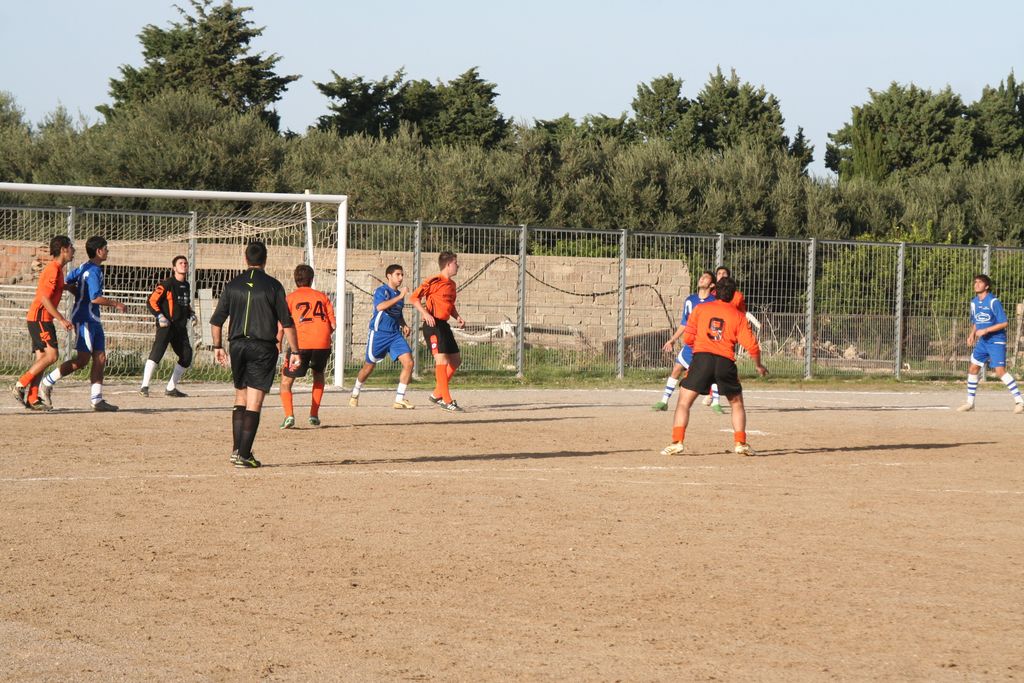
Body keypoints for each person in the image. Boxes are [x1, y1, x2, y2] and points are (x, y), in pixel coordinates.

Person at [210, 241, 298, 468]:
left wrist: (217, 346)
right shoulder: (273, 286)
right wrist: (296, 350)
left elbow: (216, 321)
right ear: (265, 260)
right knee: (254, 401)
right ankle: (244, 455)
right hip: (262, 348)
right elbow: (286, 322)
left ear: (245, 259)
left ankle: (236, 450)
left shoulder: (232, 285)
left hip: (237, 346)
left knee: (240, 397)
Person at [660, 277, 768, 457]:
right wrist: (758, 365)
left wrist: (700, 343)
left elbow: (688, 338)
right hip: (725, 362)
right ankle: (740, 443)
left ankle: (677, 442)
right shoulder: (738, 316)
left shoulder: (700, 309)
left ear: (715, 292)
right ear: (733, 295)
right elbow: (753, 346)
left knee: (684, 402)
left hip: (701, 360)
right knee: (736, 403)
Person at [39, 235, 127, 411]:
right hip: (85, 318)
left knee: (100, 358)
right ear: (99, 251)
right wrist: (116, 304)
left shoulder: (84, 267)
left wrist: (77, 292)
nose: (107, 251)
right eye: (106, 248)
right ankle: (47, 382)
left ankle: (97, 400)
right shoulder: (92, 271)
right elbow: (95, 298)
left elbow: (67, 282)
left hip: (93, 319)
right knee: (82, 360)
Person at [11, 235, 75, 410]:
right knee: (52, 356)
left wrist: (68, 287)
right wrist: (61, 319)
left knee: (42, 359)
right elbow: (45, 298)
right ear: (63, 249)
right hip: (40, 318)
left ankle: (32, 398)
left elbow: (53, 289)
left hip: (40, 319)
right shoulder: (53, 269)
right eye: (71, 247)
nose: (73, 251)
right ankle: (20, 384)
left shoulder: (57, 270)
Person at [349, 264, 415, 410]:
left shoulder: (399, 295)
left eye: (402, 275)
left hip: (395, 335)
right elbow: (380, 307)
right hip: (379, 334)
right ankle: (355, 392)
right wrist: (400, 296)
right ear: (389, 276)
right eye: (398, 274)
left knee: (409, 363)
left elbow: (397, 313)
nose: (401, 278)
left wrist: (403, 324)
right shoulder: (382, 291)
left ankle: (399, 399)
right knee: (368, 367)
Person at [279, 264, 336, 429]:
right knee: (318, 374)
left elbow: (282, 325)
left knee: (286, 381)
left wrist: (278, 343)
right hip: (323, 344)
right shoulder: (322, 297)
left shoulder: (290, 298)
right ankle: (314, 415)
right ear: (311, 280)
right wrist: (322, 335)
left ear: (295, 280)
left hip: (300, 345)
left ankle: (289, 416)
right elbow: (333, 325)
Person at [957, 274, 1024, 414]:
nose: (976, 284)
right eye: (975, 282)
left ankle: (1020, 401)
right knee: (973, 368)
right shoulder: (974, 302)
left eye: (980, 282)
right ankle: (970, 403)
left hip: (996, 340)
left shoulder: (993, 301)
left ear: (986, 286)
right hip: (983, 342)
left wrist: (986, 330)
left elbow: (1004, 323)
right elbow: (976, 321)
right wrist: (972, 334)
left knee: (1000, 371)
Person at [652, 270, 718, 412]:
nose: (702, 278)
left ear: (712, 285)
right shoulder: (690, 300)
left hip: (706, 346)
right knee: (677, 369)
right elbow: (684, 323)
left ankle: (716, 403)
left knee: (712, 374)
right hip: (690, 345)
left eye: (706, 278)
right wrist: (672, 340)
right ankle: (664, 401)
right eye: (701, 276)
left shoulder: (714, 302)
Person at [411, 251, 466, 412]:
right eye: (456, 263)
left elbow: (449, 305)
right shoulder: (433, 281)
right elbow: (414, 298)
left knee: (455, 361)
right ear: (448, 264)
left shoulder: (452, 285)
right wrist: (425, 313)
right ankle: (446, 400)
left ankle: (436, 394)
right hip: (433, 324)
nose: (458, 266)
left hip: (444, 325)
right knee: (441, 361)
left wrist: (457, 316)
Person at [140, 255, 195, 398]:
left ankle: (171, 388)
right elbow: (151, 301)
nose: (184, 265)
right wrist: (160, 316)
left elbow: (184, 304)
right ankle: (144, 386)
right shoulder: (167, 284)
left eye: (185, 263)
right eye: (180, 263)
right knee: (157, 354)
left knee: (187, 355)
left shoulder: (186, 285)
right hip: (166, 326)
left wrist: (191, 314)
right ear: (174, 268)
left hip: (180, 328)